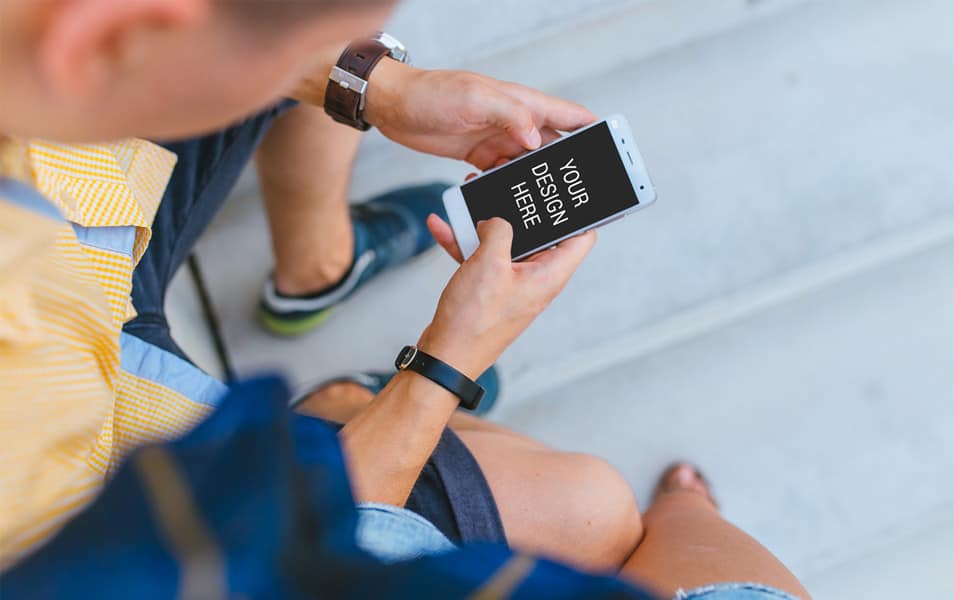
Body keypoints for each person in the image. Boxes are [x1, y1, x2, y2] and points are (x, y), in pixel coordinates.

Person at [0, 0, 809, 598]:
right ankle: (349, 398)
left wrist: (369, 87)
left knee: (581, 501)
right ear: (102, 34)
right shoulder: (24, 435)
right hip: (112, 423)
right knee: (593, 508)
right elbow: (262, 544)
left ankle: (321, 277)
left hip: (88, 248)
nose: (361, 52)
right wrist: (445, 361)